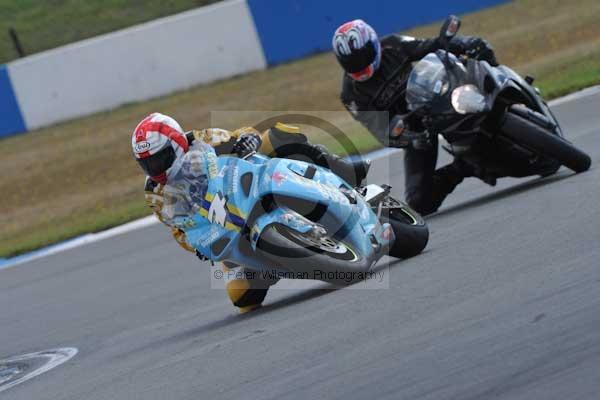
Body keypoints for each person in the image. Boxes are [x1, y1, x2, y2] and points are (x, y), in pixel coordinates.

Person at [131, 112, 369, 312]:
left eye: (160, 159)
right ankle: (281, 258)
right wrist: (196, 246)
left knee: (276, 136)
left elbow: (244, 134)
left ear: (176, 144)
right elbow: (178, 229)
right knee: (242, 298)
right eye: (147, 163)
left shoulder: (202, 139)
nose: (155, 169)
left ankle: (343, 172)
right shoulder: (155, 193)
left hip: (249, 184)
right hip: (224, 229)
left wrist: (247, 141)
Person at [332, 19, 498, 215]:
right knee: (419, 201)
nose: (360, 65)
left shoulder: (393, 44)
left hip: (440, 96)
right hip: (416, 130)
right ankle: (464, 167)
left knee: (480, 61)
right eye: (352, 63)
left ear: (373, 43)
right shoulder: (351, 95)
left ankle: (509, 94)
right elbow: (381, 131)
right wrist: (409, 137)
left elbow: (430, 46)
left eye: (363, 57)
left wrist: (462, 44)